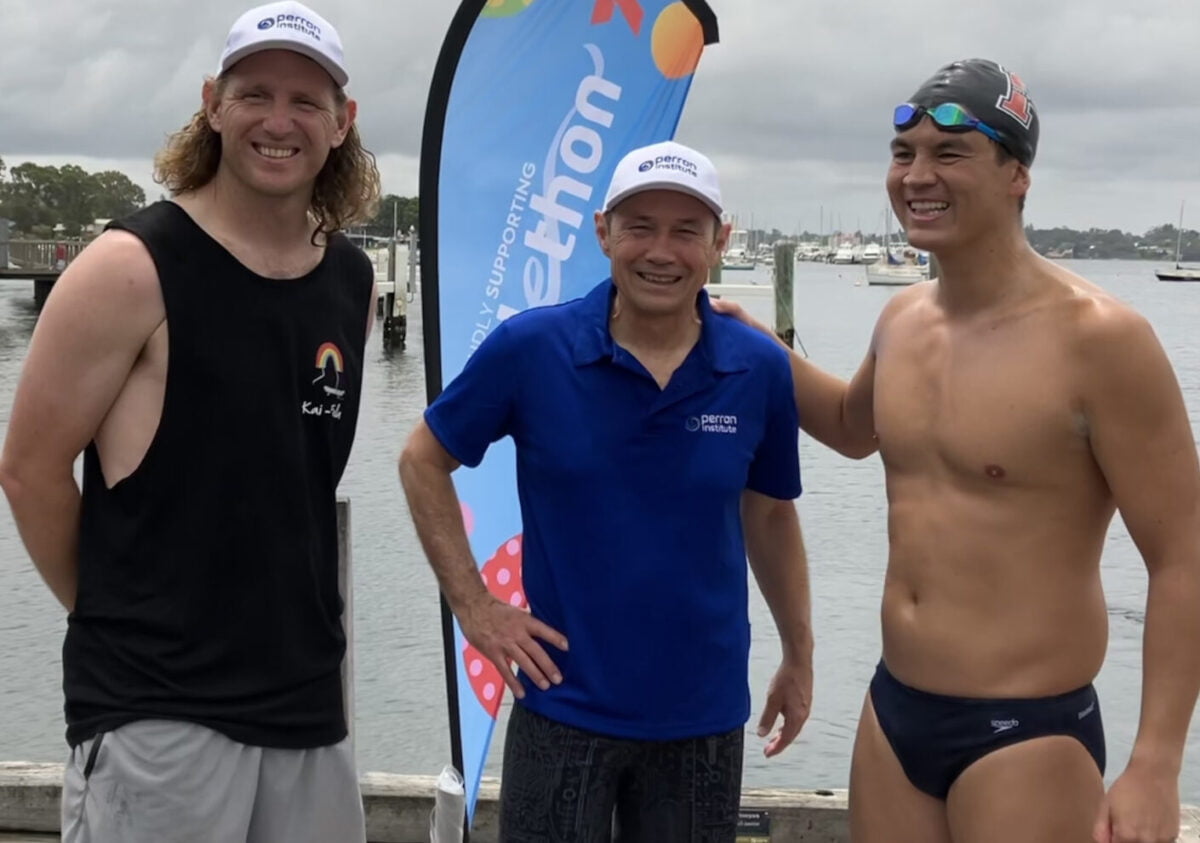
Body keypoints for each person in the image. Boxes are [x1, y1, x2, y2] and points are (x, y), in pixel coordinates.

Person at [717, 57, 1200, 843]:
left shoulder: (1103, 341)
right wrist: (755, 346)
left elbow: (1183, 556)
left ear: (1017, 174)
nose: (916, 176)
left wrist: (1156, 760)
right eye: (903, 154)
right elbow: (850, 423)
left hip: (1025, 732)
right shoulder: (903, 319)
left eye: (949, 153)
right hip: (895, 711)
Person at [0, 2, 380, 840]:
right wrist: (113, 616)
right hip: (157, 713)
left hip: (309, 706)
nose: (278, 122)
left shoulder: (352, 284)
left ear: (342, 122)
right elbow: (28, 471)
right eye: (255, 95)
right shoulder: (129, 267)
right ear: (213, 103)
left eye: (306, 101)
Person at [399, 140, 813, 842]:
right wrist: (475, 608)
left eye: (686, 230)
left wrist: (799, 656)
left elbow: (770, 514)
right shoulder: (531, 348)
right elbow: (422, 460)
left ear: (720, 241)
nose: (661, 250)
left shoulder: (759, 368)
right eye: (639, 226)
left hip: (702, 718)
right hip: (564, 708)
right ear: (603, 233)